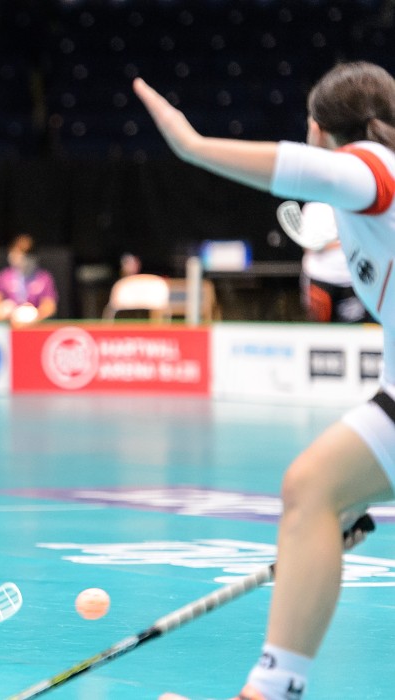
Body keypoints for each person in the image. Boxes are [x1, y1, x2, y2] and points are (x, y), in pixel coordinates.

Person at [135, 62, 395, 700]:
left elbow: (322, 170)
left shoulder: (369, 166)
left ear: (316, 128)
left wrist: (191, 145)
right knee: (315, 489)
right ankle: (273, 688)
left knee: (312, 487)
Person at [285, 201, 368, 323]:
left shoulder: (359, 204)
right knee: (317, 333)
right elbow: (310, 246)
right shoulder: (314, 207)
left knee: (354, 333)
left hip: (352, 282)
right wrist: (343, 242)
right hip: (320, 280)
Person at [0, 234, 58, 326]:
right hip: (9, 327)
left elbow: (49, 307)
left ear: (33, 258)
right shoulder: (4, 276)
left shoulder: (44, 277)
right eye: (14, 254)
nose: (16, 259)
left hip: (34, 327)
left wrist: (32, 317)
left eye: (21, 256)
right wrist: (3, 314)